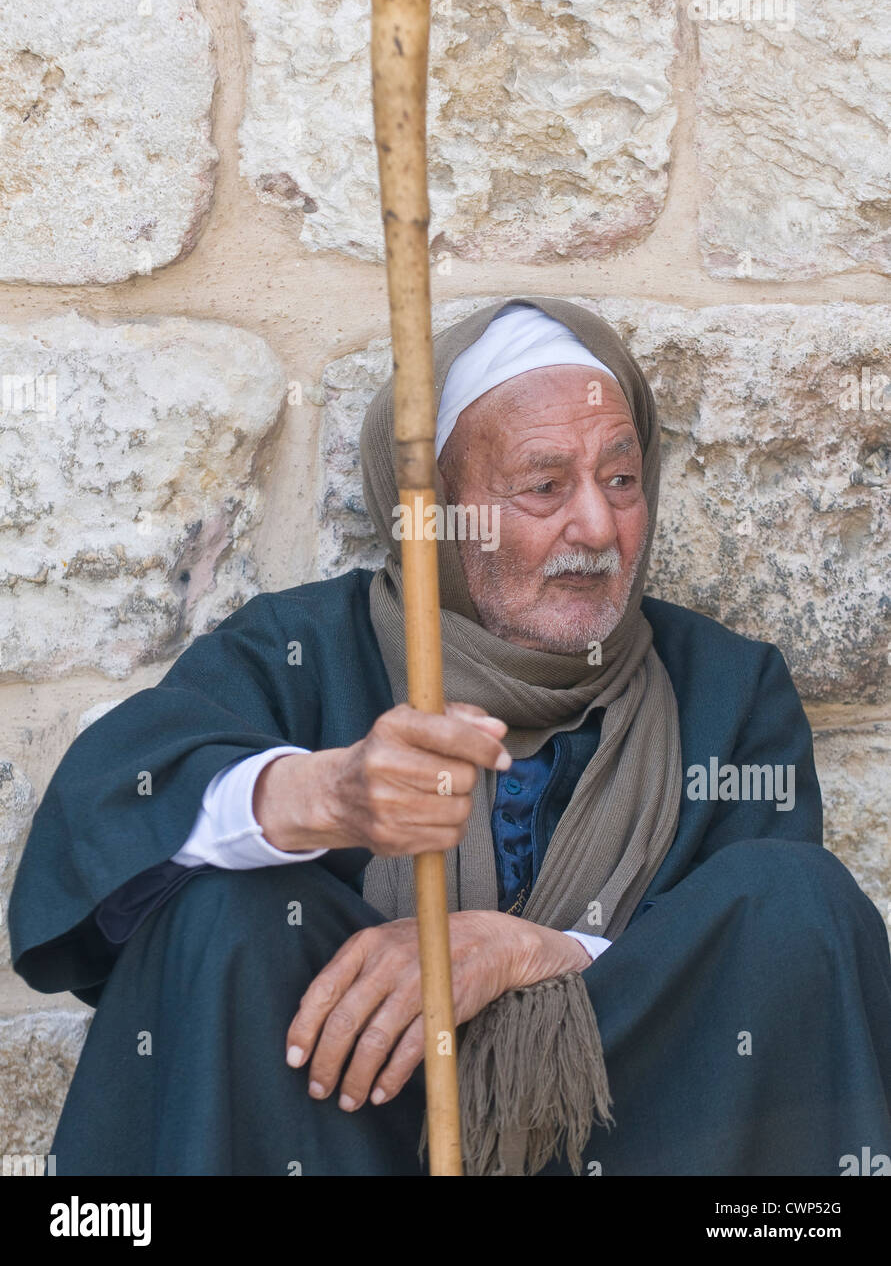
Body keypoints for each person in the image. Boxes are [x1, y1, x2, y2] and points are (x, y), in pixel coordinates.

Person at [9, 295, 891, 1177]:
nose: (595, 526)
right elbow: (100, 828)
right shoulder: (302, 651)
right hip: (340, 1128)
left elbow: (772, 985)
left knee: (793, 894)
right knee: (219, 906)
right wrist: (322, 795)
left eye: (620, 480)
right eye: (544, 486)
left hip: (635, 1135)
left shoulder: (724, 690)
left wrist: (520, 952)